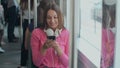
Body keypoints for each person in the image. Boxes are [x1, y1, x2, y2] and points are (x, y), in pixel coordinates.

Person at [18, 0, 34, 68]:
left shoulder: (23, 2)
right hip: (33, 21)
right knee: (31, 42)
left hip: (26, 22)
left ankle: (23, 63)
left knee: (25, 42)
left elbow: (20, 12)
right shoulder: (34, 3)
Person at [101, 4, 116, 68]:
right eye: (109, 17)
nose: (110, 20)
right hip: (108, 64)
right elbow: (105, 55)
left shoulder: (111, 32)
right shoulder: (103, 33)